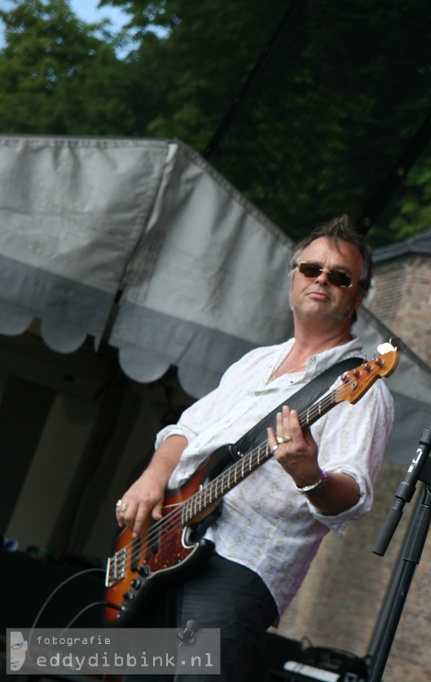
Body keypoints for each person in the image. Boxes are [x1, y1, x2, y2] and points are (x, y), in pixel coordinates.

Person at [115, 215, 395, 681]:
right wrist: (151, 478)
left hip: (241, 570)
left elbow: (353, 498)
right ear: (293, 277)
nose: (321, 279)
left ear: (358, 295)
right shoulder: (255, 362)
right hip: (165, 551)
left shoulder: (360, 388)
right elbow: (187, 432)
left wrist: (309, 474)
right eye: (311, 269)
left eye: (339, 276)